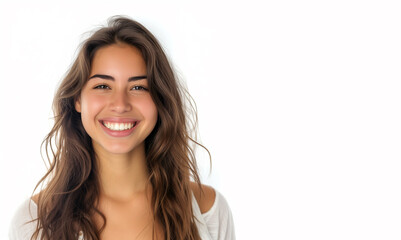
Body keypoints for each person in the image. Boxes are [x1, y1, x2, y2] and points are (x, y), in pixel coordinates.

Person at [9, 16, 235, 240]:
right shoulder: (33, 222)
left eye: (138, 87)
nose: (120, 104)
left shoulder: (209, 211)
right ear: (78, 99)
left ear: (160, 100)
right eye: (103, 86)